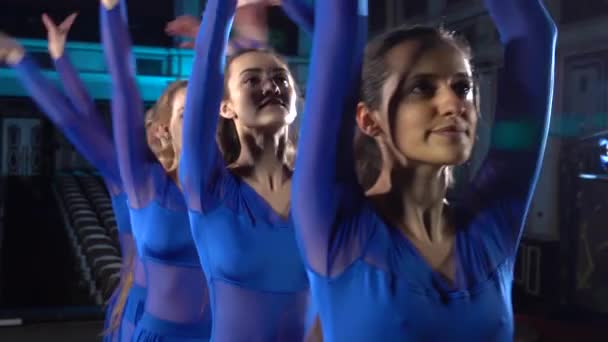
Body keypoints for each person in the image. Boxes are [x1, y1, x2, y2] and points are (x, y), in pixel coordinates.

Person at [292, 0, 557, 340]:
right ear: (369, 120)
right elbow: (341, 19)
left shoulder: (491, 226)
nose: (454, 104)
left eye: (462, 87)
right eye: (422, 88)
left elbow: (533, 35)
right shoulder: (336, 224)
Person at [0, 13, 144, 341]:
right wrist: (27, 60)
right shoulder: (133, 179)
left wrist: (59, 58)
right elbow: (81, 119)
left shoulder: (205, 178)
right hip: (142, 313)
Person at [178, 0, 313, 340]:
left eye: (281, 78)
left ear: (297, 101)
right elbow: (207, 67)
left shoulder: (320, 190)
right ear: (225, 107)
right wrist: (221, 10)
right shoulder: (207, 185)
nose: (270, 87)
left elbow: (341, 55)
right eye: (252, 81)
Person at [99, 0, 210, 340]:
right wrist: (113, 10)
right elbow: (123, 83)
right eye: (183, 114)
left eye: (202, 111)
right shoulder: (144, 182)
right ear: (164, 127)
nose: (196, 120)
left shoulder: (225, 186)